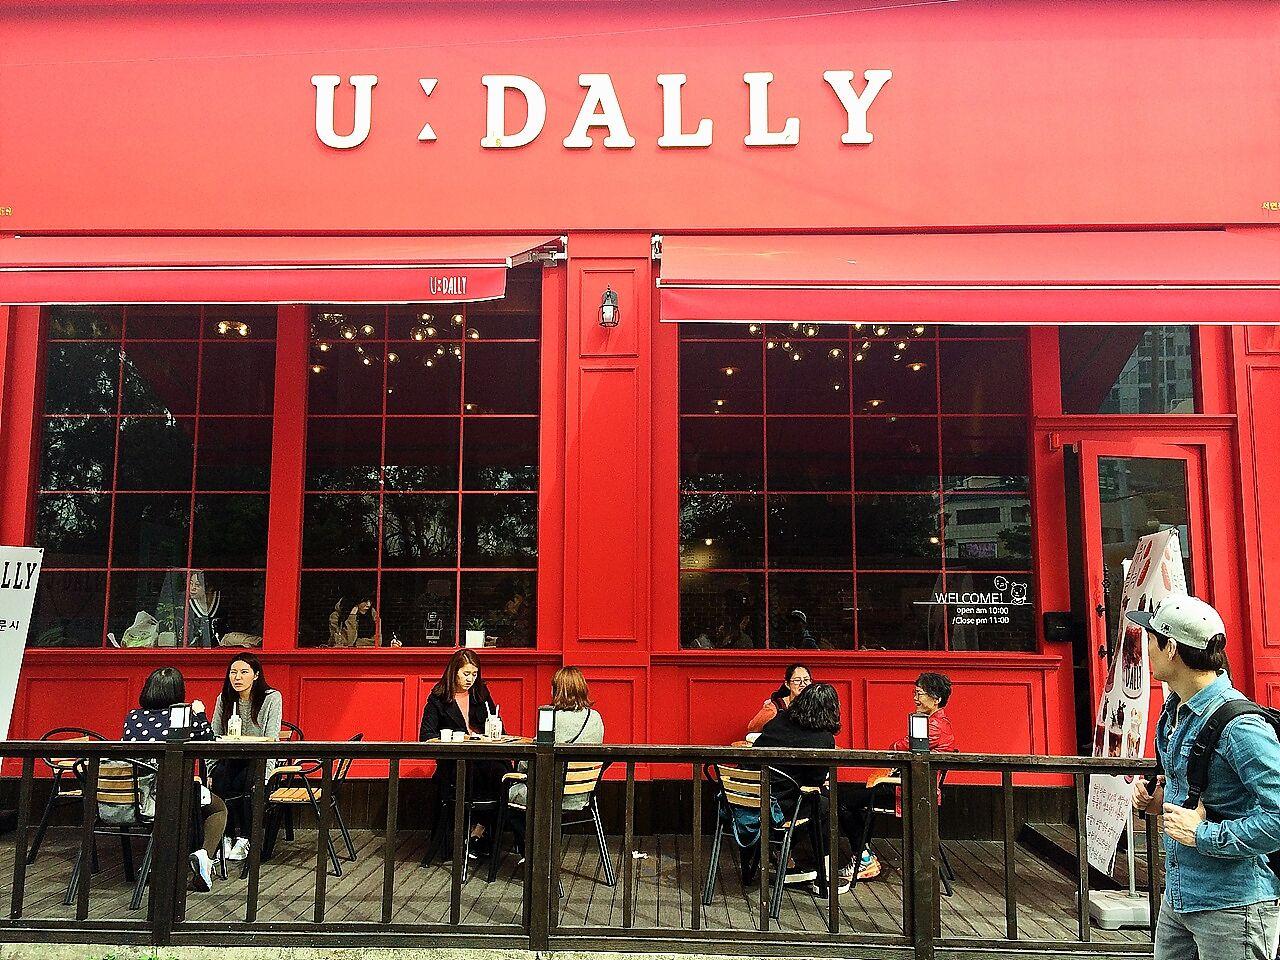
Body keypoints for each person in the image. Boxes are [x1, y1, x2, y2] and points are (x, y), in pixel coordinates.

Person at [1130, 596, 1280, 960]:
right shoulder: (1174, 711)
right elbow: (1199, 794)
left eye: (1151, 640)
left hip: (1233, 906)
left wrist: (1202, 834)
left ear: (1171, 648)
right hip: (1179, 898)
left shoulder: (1240, 727)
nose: (1146, 650)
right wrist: (1159, 800)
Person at [837, 672, 955, 885]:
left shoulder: (933, 727)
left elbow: (900, 746)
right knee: (861, 801)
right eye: (915, 693)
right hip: (913, 786)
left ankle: (863, 858)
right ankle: (863, 856)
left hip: (910, 790)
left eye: (919, 694)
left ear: (936, 699)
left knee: (844, 802)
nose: (915, 698)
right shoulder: (937, 722)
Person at [121, 667, 228, 893]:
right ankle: (205, 857)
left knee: (188, 799)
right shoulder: (184, 716)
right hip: (174, 793)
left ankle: (157, 862)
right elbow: (209, 742)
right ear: (178, 692)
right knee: (218, 808)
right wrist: (200, 713)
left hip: (136, 796)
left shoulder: (133, 717)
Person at [752, 682, 852, 891]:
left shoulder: (778, 722)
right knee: (824, 805)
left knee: (817, 802)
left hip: (748, 799)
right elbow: (814, 781)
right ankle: (825, 876)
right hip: (778, 807)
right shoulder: (823, 739)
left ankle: (789, 862)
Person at [419, 649, 509, 857]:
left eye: (474, 674)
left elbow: (499, 728)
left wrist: (491, 731)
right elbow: (426, 735)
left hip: (484, 759)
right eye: (466, 673)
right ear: (454, 672)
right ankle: (475, 834)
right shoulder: (438, 699)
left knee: (504, 774)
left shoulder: (481, 694)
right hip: (455, 763)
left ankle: (479, 830)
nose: (470, 679)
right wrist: (455, 738)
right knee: (482, 774)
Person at [504, 666, 605, 851]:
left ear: (557, 690)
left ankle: (530, 853)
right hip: (584, 795)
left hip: (551, 795)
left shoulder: (551, 718)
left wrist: (518, 769)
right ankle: (542, 851)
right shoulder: (596, 717)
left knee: (509, 794)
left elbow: (529, 762)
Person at [209, 653, 284, 863]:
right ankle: (225, 836)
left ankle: (244, 837)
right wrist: (210, 771)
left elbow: (272, 740)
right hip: (229, 761)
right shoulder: (224, 699)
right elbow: (213, 737)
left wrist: (267, 776)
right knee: (221, 777)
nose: (237, 677)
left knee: (245, 780)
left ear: (256, 675)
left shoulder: (271, 698)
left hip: (257, 761)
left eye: (244, 672)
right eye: (233, 672)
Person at [746, 663, 812, 735]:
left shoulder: (815, 704)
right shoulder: (775, 707)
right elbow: (753, 728)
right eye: (797, 680)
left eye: (806, 680)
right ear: (787, 684)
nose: (802, 684)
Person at [328, 596, 396, 647]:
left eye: (370, 601)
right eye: (364, 601)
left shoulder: (372, 614)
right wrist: (352, 616)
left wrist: (355, 642)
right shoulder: (336, 617)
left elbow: (377, 642)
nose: (368, 605)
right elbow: (346, 642)